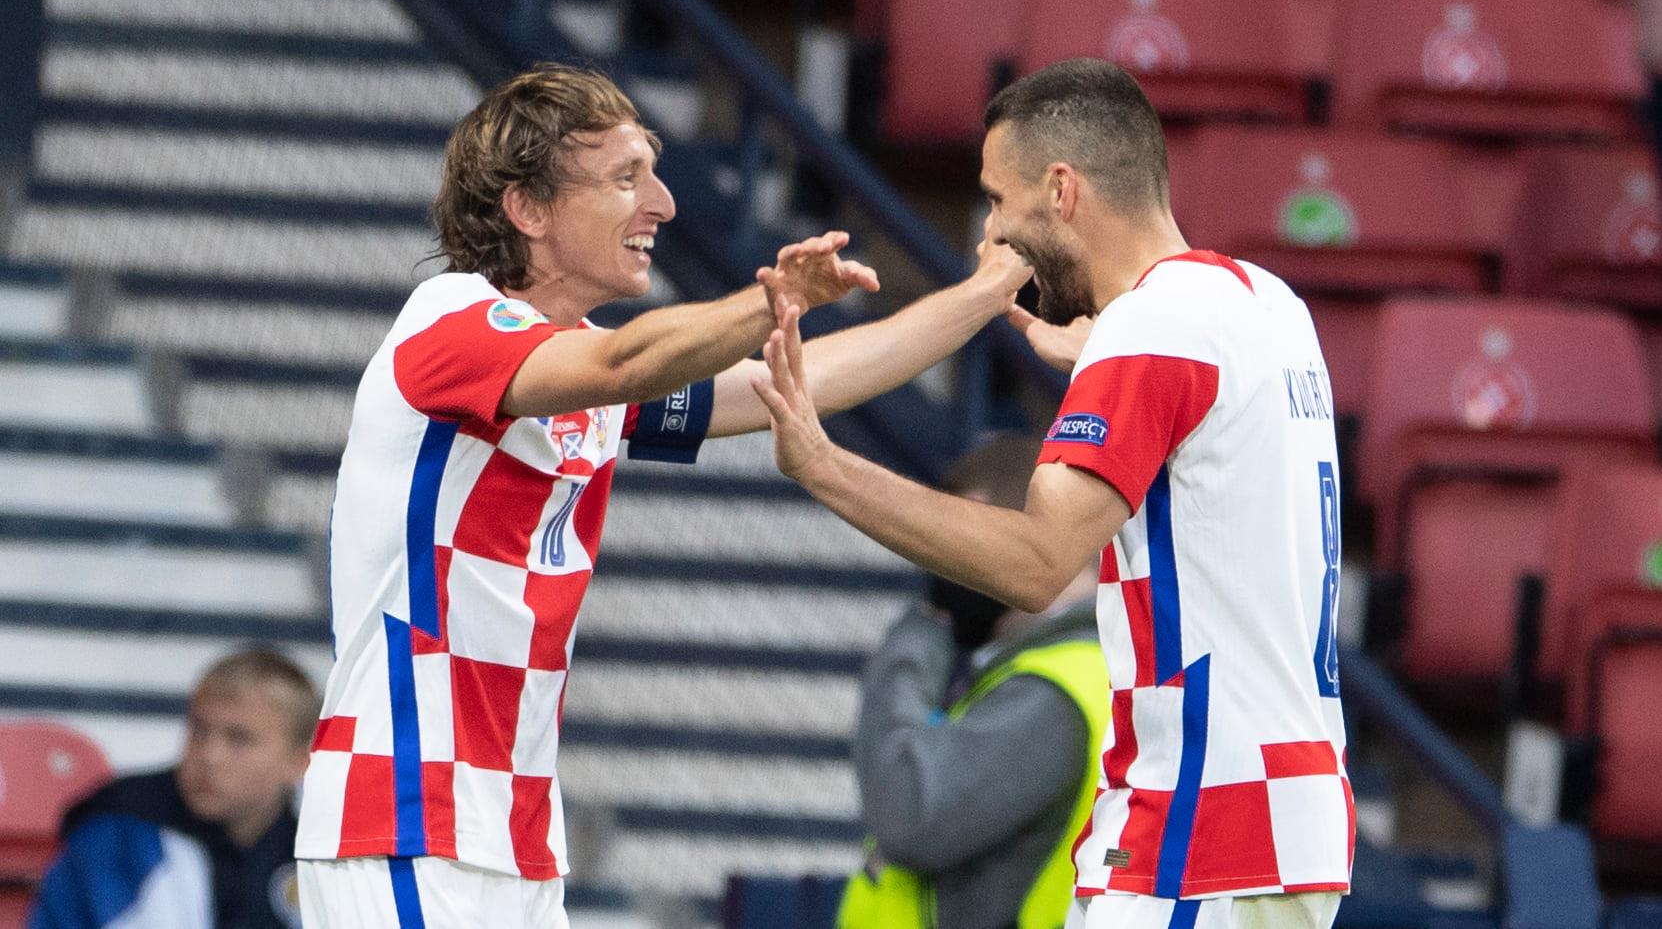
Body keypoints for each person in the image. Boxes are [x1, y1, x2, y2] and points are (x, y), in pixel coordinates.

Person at [294, 62, 1031, 927]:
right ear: (527, 209)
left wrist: (985, 292)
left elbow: (801, 382)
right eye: (624, 177)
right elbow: (623, 361)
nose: (665, 204)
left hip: (511, 835)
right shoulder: (449, 319)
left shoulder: (577, 374)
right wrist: (776, 297)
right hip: (405, 818)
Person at [753, 58, 1353, 929]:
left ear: (1062, 191)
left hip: (1194, 835)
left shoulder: (1153, 331)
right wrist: (1104, 353)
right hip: (1288, 821)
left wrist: (823, 464)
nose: (990, 233)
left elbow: (1037, 563)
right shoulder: (1268, 305)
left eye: (1000, 201)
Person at [837, 433, 1108, 929]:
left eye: (954, 537)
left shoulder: (1054, 689)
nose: (943, 559)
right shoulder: (1065, 668)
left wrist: (922, 631)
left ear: (987, 519)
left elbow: (910, 812)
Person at [30, 650, 320, 929]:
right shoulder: (119, 831)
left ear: (300, 761)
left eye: (239, 738)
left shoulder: (321, 849)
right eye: (199, 730)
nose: (209, 755)